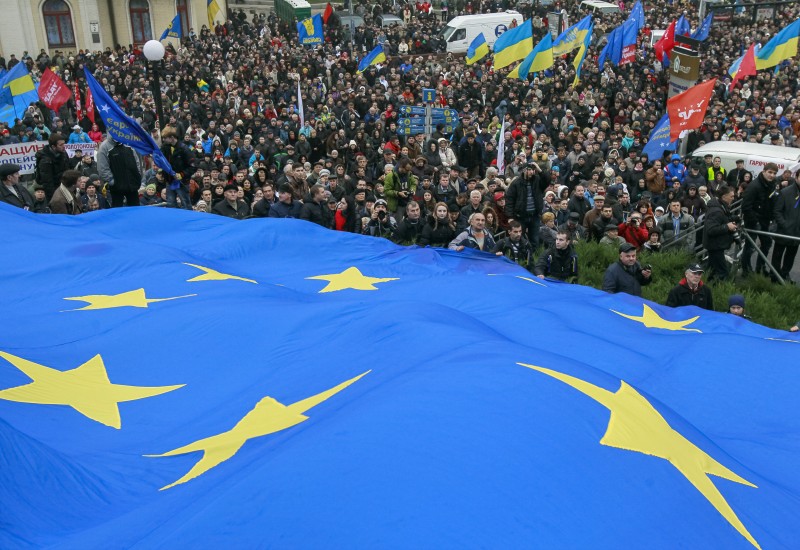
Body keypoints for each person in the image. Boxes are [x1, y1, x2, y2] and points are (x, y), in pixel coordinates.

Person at [741, 163, 778, 276]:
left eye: (774, 173)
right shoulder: (754, 186)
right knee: (750, 246)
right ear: (763, 171)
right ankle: (746, 270)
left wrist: (772, 218)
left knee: (766, 243)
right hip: (753, 221)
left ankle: (760, 267)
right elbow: (745, 206)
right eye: (770, 172)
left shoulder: (772, 184)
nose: (772, 175)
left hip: (765, 220)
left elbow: (772, 201)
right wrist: (755, 221)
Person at [504, 161, 546, 249]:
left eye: (533, 170)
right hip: (520, 216)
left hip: (534, 215)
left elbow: (547, 180)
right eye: (529, 169)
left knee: (535, 239)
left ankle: (533, 258)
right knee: (519, 238)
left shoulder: (537, 180)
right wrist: (510, 217)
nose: (531, 172)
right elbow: (509, 200)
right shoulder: (516, 183)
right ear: (523, 170)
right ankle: (520, 257)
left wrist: (539, 169)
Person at [703, 185, 738, 282]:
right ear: (724, 197)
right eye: (731, 196)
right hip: (715, 246)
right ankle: (721, 292)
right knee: (723, 272)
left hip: (715, 245)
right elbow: (711, 229)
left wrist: (733, 219)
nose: (733, 198)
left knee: (711, 271)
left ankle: (708, 287)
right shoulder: (717, 210)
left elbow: (722, 219)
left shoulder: (721, 207)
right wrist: (727, 227)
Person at [771, 169, 800, 282]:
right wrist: (784, 224)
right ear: (796, 177)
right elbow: (777, 211)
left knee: (790, 256)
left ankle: (785, 274)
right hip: (784, 231)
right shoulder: (786, 192)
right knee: (777, 255)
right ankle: (774, 276)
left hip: (797, 232)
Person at [97, 135, 142, 208]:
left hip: (132, 185)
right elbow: (102, 168)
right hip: (117, 187)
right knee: (117, 211)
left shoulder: (128, 143)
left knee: (136, 209)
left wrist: (137, 175)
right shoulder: (104, 147)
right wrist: (112, 181)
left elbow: (136, 161)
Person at [160, 128, 194, 210]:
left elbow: (193, 166)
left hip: (182, 181)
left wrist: (182, 174)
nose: (163, 140)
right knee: (171, 204)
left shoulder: (184, 149)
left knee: (185, 204)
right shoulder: (165, 148)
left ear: (172, 137)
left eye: (165, 138)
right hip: (169, 180)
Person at [35, 133, 68, 200]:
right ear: (53, 147)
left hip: (64, 186)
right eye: (61, 145)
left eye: (64, 143)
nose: (64, 146)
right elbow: (47, 182)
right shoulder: (45, 161)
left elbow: (68, 169)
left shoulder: (63, 153)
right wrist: (55, 197)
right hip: (54, 191)